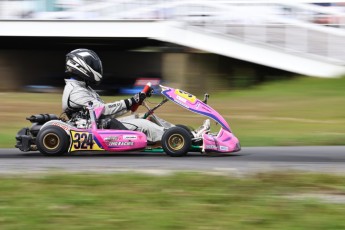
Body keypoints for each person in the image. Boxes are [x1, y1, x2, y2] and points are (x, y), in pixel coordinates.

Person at [62, 48, 210, 143]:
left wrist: (136, 101)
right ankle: (182, 139)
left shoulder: (82, 87)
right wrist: (131, 100)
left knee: (146, 117)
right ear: (80, 66)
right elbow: (102, 110)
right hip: (97, 130)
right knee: (144, 125)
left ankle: (189, 134)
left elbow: (103, 112)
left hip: (104, 125)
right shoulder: (75, 90)